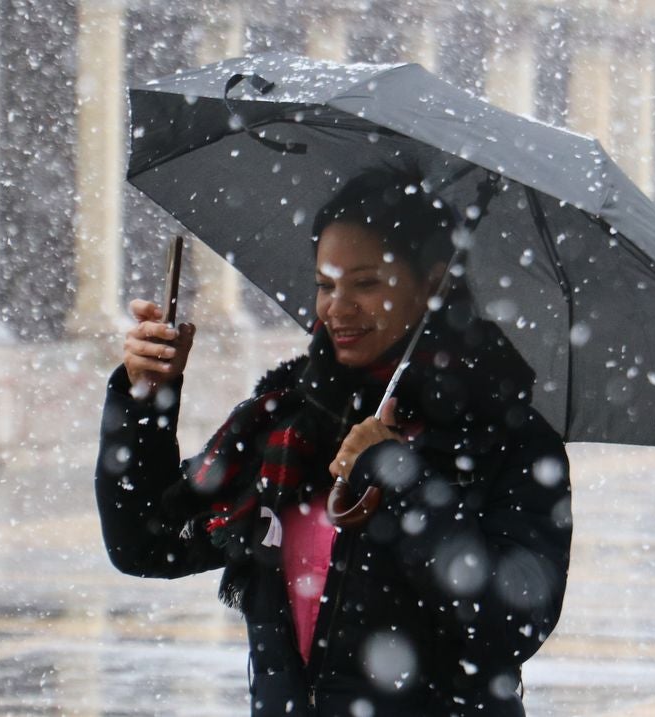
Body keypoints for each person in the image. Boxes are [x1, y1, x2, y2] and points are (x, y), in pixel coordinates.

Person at [95, 171, 573, 717]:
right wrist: (143, 399)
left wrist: (401, 478)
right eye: (327, 284)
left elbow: (511, 627)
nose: (337, 308)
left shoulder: (505, 439)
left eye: (366, 284)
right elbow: (145, 542)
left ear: (432, 285)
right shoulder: (288, 421)